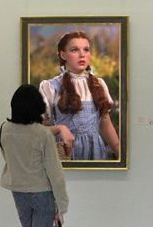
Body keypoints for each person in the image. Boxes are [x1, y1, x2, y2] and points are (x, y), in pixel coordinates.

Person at [0, 84, 69, 227]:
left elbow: (6, 156)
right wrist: (61, 207)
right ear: (37, 105)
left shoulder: (5, 129)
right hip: (42, 195)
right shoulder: (42, 134)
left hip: (18, 192)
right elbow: (55, 173)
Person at [39, 30, 119, 160]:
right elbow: (37, 130)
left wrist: (119, 152)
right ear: (63, 55)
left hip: (95, 152)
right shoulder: (51, 87)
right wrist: (59, 128)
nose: (82, 55)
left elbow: (106, 125)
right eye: (74, 50)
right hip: (65, 152)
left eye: (86, 50)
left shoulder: (99, 85)